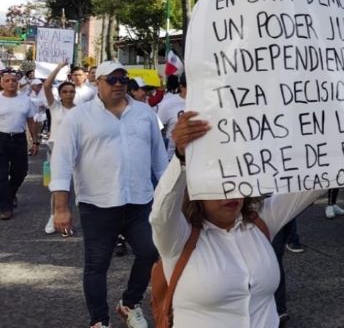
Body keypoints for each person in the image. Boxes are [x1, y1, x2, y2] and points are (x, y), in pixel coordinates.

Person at [150, 111, 322, 328]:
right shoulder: (177, 237)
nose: (232, 194)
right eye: (219, 186)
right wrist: (182, 158)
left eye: (237, 182)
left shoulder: (261, 222)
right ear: (195, 190)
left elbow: (318, 181)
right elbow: (161, 211)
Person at [50, 61, 169, 328]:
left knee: (150, 250)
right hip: (98, 202)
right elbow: (61, 162)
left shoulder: (145, 113)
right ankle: (99, 320)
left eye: (123, 79)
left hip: (139, 201)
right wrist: (61, 207)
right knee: (97, 265)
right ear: (97, 83)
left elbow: (159, 160)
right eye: (112, 79)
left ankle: (129, 303)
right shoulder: (78, 117)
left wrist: (170, 196)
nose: (118, 84)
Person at [0, 69, 40, 220]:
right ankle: (5, 207)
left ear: (18, 83)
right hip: (1, 138)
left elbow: (31, 120)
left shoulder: (25, 100)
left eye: (14, 80)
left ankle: (10, 193)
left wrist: (35, 141)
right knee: (1, 176)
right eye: (7, 81)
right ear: (2, 83)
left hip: (18, 139)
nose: (11, 83)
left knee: (20, 172)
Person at [42, 62, 76, 234]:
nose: (68, 94)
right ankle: (53, 215)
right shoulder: (55, 107)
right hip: (55, 149)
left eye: (71, 91)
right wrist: (60, 67)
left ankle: (66, 221)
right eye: (65, 91)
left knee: (71, 187)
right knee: (57, 186)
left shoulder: (81, 111)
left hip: (75, 150)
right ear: (60, 94)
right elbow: (47, 86)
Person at [155, 72, 186, 159]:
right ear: (181, 86)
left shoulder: (205, 103)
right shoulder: (167, 104)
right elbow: (157, 130)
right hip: (172, 159)